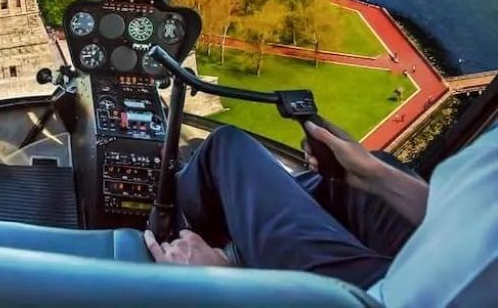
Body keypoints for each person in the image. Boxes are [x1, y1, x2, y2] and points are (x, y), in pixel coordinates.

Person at [144, 121, 498, 305]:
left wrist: (225, 285)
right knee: (358, 177)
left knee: (228, 148)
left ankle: (181, 236)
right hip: (439, 257)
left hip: (380, 296)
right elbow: (472, 213)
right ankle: (250, 241)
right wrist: (374, 176)